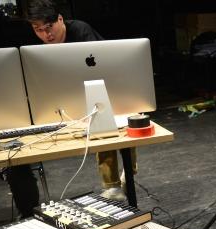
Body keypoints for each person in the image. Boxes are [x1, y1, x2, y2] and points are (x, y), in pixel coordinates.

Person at [26, 0, 136, 202]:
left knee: (113, 122)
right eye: (38, 30)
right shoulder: (43, 48)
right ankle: (113, 184)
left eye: (49, 28)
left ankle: (123, 178)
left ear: (60, 19)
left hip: (111, 82)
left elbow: (101, 66)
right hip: (78, 94)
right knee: (97, 124)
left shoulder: (81, 30)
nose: (46, 35)